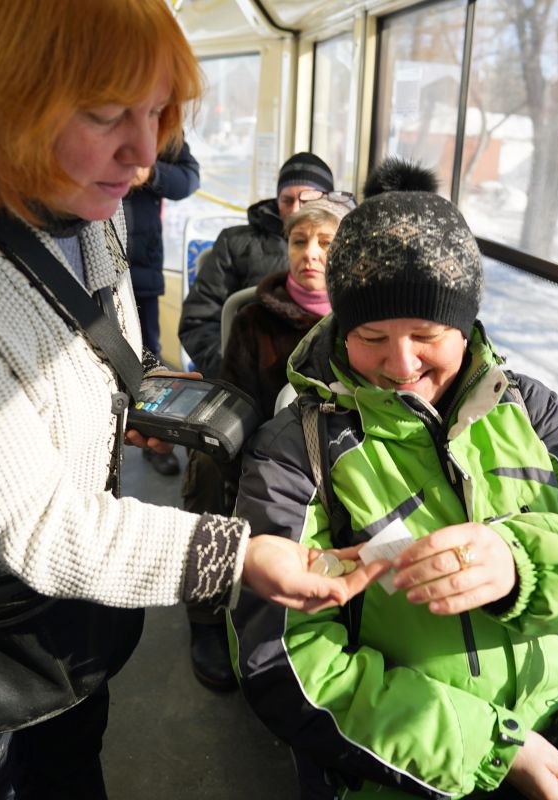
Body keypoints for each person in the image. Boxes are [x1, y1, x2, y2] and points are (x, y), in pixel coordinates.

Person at [0, 2, 384, 798]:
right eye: (108, 114)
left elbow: (94, 339)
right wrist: (240, 555)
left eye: (156, 114)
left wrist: (134, 402)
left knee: (70, 768)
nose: (145, 155)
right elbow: (38, 526)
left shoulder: (71, 201)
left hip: (61, 606)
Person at [229, 162, 558, 800]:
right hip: (416, 763)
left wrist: (522, 566)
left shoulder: (526, 409)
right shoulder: (296, 452)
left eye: (428, 335)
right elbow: (283, 664)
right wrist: (499, 748)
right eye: (371, 336)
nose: (400, 364)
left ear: (464, 327)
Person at [180, 195, 351, 690]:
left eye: (325, 242)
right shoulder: (255, 319)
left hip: (333, 449)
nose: (311, 254)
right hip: (265, 441)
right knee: (209, 467)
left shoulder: (360, 322)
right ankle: (208, 617)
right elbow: (238, 397)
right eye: (299, 241)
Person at [177, 151, 334, 378]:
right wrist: (234, 371)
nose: (295, 209)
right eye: (287, 200)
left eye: (307, 200)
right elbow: (199, 320)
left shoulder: (346, 245)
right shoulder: (235, 243)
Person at [123, 137, 200, 476]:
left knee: (147, 355)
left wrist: (151, 174)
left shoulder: (161, 127)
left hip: (142, 266)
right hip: (95, 267)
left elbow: (188, 178)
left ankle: (152, 440)